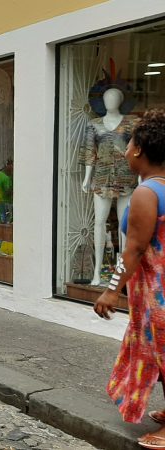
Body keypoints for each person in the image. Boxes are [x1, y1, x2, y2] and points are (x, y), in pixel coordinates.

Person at [94, 109, 165, 449]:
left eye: (129, 142)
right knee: (157, 353)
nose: (125, 150)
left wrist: (111, 292)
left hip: (157, 293)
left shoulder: (145, 193)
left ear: (138, 149)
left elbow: (133, 251)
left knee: (161, 353)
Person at [81, 87, 138, 285]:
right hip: (102, 178)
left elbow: (137, 151)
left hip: (126, 177)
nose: (109, 100)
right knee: (99, 222)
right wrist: (87, 177)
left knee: (125, 226)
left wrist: (139, 176)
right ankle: (97, 271)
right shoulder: (94, 124)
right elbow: (90, 151)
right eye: (106, 97)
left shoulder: (132, 123)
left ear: (120, 100)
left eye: (113, 97)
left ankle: (121, 272)